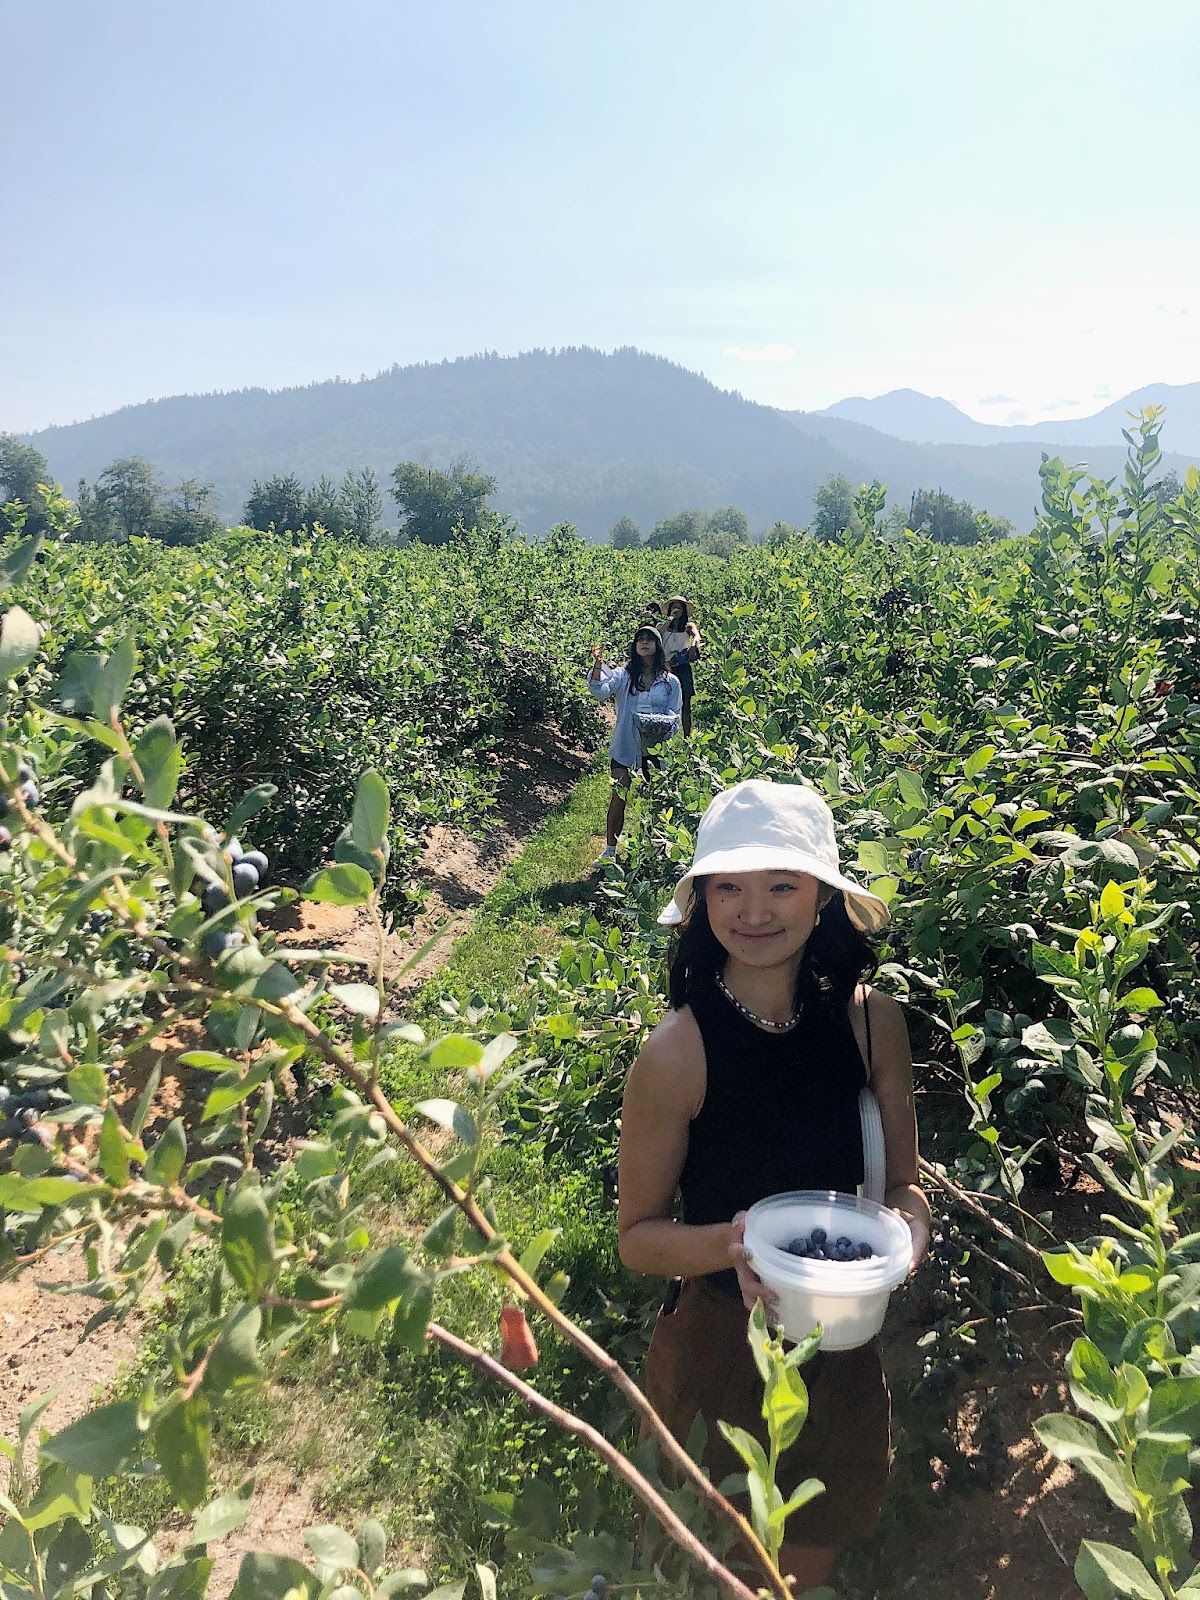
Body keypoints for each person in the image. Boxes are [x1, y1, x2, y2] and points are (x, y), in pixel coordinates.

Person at [617, 779, 930, 1592]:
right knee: (709, 1561)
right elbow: (638, 1239)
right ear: (703, 901)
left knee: (805, 1554)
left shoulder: (873, 1024)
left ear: (822, 895)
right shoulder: (678, 1053)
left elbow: (905, 1187)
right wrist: (734, 1245)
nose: (754, 912)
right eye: (729, 887)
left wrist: (907, 1237)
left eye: (781, 885)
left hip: (841, 1347)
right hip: (722, 1344)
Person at [588, 623, 683, 862]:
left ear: (657, 645)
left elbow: (675, 715)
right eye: (640, 639)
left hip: (656, 748)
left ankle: (657, 850)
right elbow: (599, 690)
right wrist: (598, 665)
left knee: (658, 799)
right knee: (619, 795)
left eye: (649, 639)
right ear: (635, 646)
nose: (644, 642)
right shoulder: (624, 676)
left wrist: (661, 729)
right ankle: (610, 850)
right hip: (626, 745)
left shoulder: (671, 682)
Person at [662, 596, 702, 737]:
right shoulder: (665, 626)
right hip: (666, 667)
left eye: (679, 607)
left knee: (686, 704)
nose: (676, 610)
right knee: (664, 702)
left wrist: (693, 646)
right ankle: (664, 735)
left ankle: (687, 737)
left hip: (682, 667)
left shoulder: (688, 626)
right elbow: (657, 633)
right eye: (674, 607)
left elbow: (697, 636)